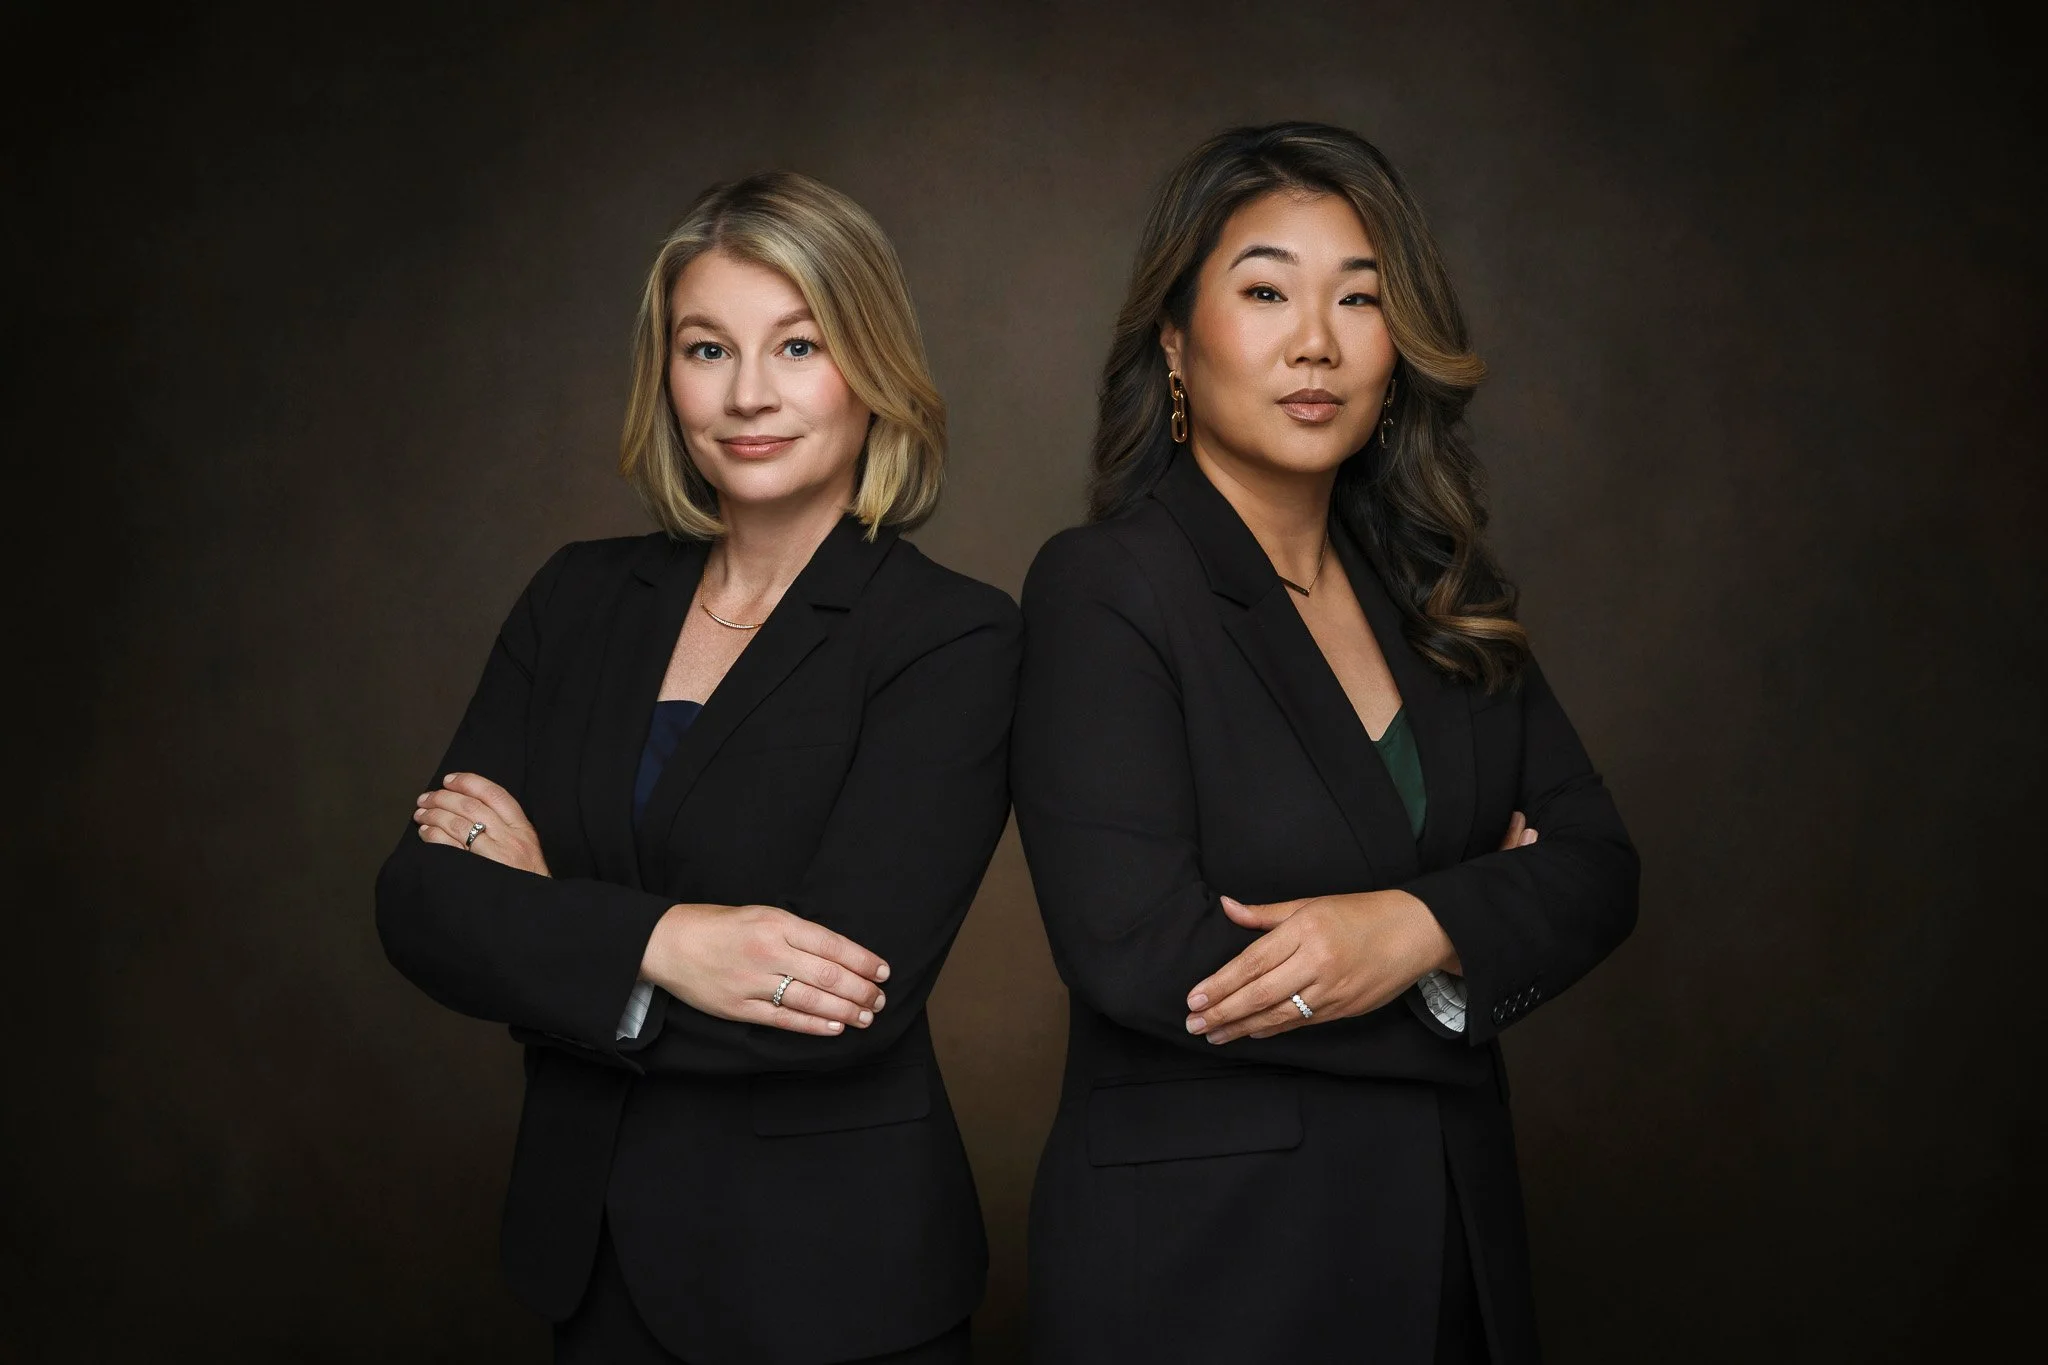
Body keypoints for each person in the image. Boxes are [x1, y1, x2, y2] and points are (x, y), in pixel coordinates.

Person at [1012, 122, 1640, 1364]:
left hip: (1451, 1255)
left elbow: (1596, 867)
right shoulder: (1106, 586)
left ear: (1395, 350)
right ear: (1176, 345)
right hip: (1210, 1266)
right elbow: (1142, 952)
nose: (1317, 341)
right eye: (1265, 292)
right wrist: (1473, 931)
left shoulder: (1437, 596)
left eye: (1358, 298)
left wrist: (1405, 930)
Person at [376, 171, 1017, 1364]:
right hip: (589, 1266)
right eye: (707, 347)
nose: (748, 394)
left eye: (798, 345)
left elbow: (839, 997)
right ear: (665, 375)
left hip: (830, 1288)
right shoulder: (574, 598)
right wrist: (670, 945)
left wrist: (546, 917)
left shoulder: (951, 638)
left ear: (870, 368)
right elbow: (418, 903)